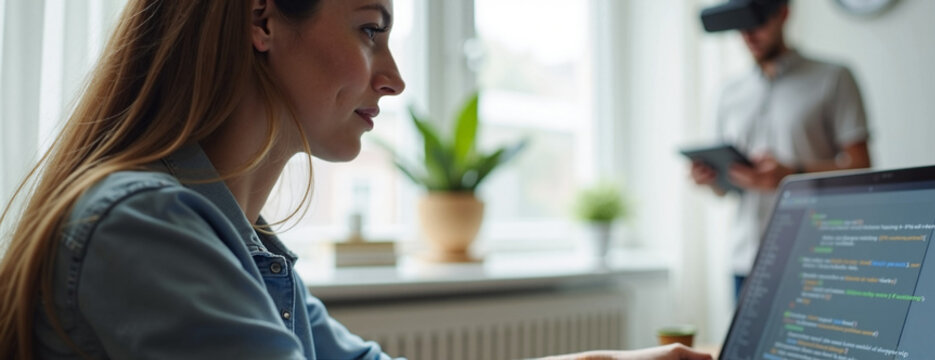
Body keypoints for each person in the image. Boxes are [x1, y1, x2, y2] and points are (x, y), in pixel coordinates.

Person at [0, 1, 712, 359]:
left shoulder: (240, 242)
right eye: (371, 28)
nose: (395, 77)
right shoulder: (145, 226)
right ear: (262, 20)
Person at [691, 0, 872, 300]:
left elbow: (861, 165)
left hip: (817, 255)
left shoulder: (833, 77)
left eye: (757, 23)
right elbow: (727, 190)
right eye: (741, 26)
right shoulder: (728, 93)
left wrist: (792, 174)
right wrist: (713, 178)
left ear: (784, 13)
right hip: (747, 258)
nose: (748, 34)